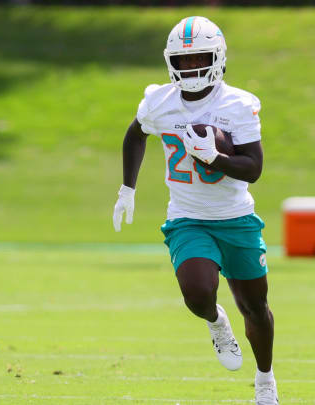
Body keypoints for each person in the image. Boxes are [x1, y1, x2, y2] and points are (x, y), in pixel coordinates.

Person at [112, 16, 278, 404]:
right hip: (188, 218)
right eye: (183, 60)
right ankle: (217, 322)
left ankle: (265, 381)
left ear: (217, 58)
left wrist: (216, 157)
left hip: (236, 219)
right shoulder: (159, 101)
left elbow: (253, 169)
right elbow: (135, 134)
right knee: (197, 294)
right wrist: (127, 187)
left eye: (198, 58)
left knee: (254, 305)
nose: (190, 67)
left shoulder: (237, 104)